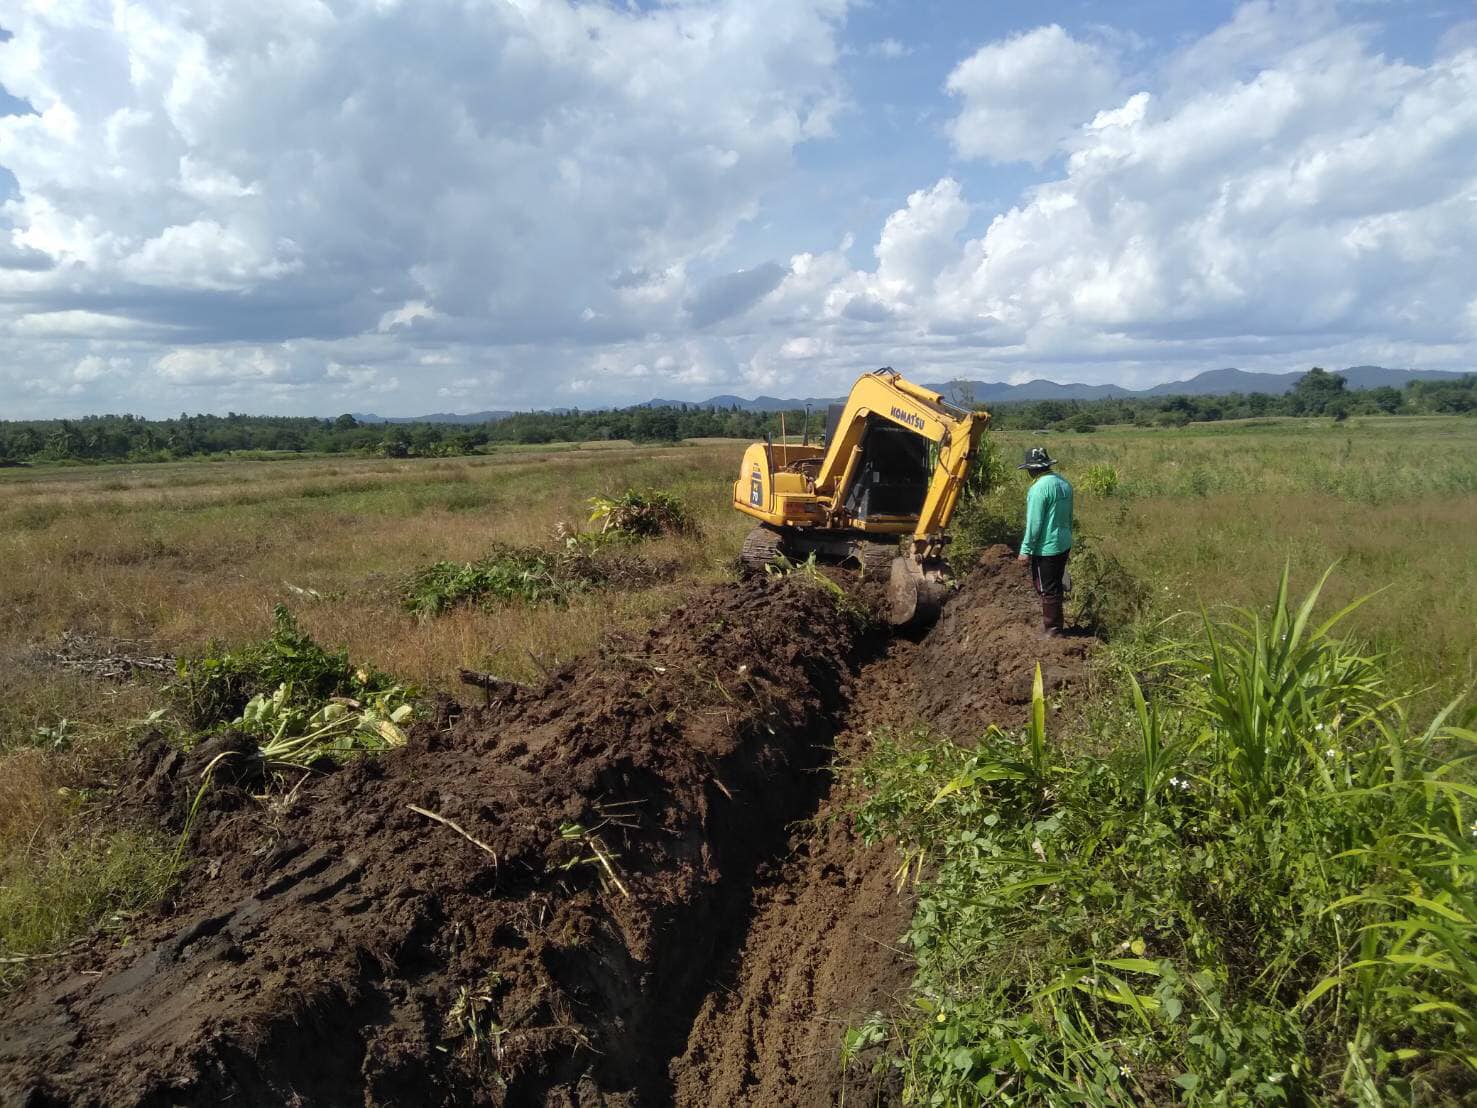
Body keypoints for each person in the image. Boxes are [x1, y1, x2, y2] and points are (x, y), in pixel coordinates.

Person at [1015, 446, 1073, 636]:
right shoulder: (1064, 483)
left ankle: (1052, 630)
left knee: (1047, 589)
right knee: (1055, 585)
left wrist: (1025, 550)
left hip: (1047, 547)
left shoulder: (1038, 489)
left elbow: (1035, 524)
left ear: (1033, 469)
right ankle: (1056, 625)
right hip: (1063, 543)